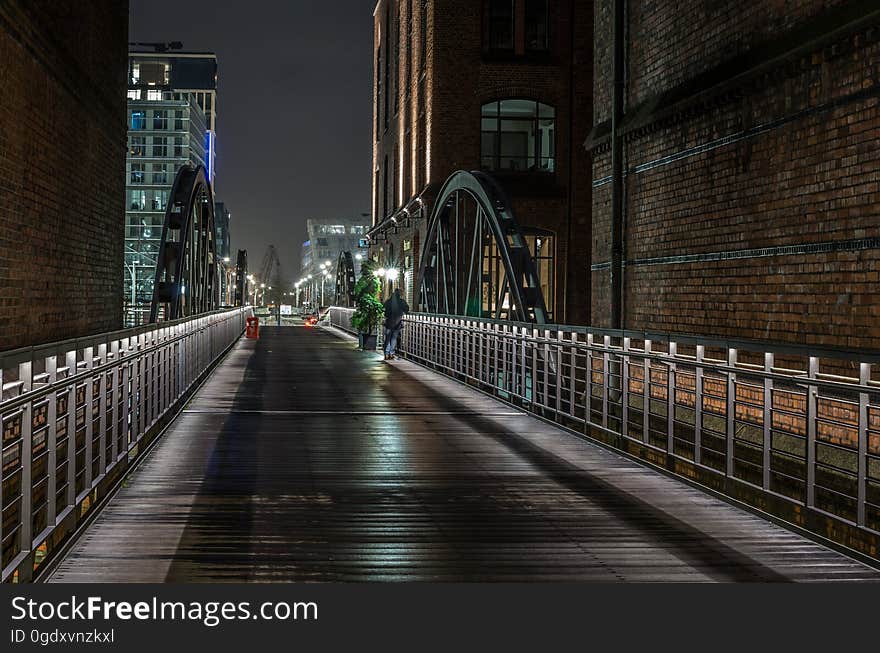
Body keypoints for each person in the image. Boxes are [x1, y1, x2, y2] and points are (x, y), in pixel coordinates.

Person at [383, 288, 409, 360]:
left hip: (389, 323)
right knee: (394, 338)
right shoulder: (401, 302)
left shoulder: (388, 302)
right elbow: (407, 309)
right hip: (397, 323)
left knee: (387, 338)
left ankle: (387, 353)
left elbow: (384, 311)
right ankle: (391, 353)